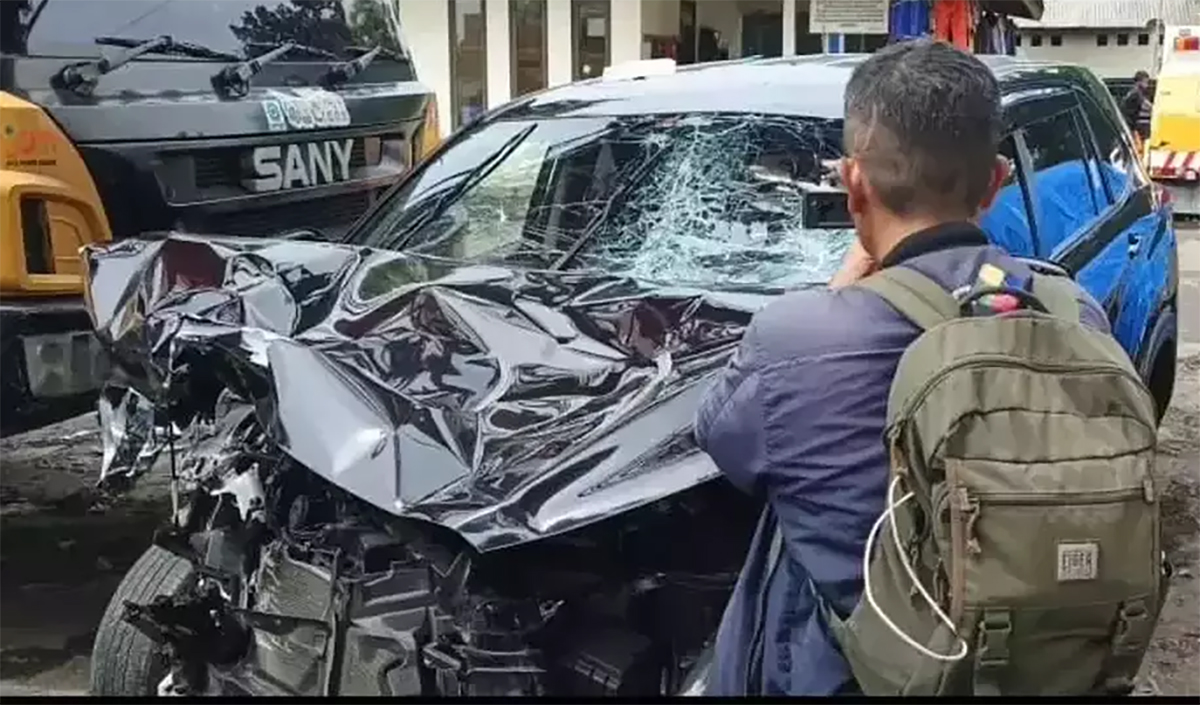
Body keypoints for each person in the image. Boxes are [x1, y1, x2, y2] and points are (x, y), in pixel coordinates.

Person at [693, 39, 1108, 696]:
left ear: (853, 181)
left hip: (854, 673)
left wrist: (837, 293)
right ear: (997, 181)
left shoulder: (793, 337)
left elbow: (723, 443)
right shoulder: (1071, 309)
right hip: (1028, 666)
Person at [1121, 70, 1153, 145]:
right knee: (1133, 144)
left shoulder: (1133, 91)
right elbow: (1146, 105)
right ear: (1139, 82)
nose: (1147, 85)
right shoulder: (1136, 92)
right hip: (1129, 123)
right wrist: (1157, 110)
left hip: (1128, 123)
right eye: (1146, 82)